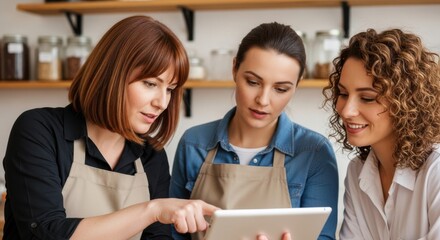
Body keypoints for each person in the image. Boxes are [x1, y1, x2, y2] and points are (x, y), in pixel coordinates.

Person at [2, 15, 219, 239]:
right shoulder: (39, 131)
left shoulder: (151, 157)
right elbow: (44, 232)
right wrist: (153, 210)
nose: (162, 103)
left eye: (170, 89)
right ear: (111, 74)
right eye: (150, 84)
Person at [170, 22, 339, 240]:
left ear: (297, 85)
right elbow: (173, 234)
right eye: (252, 82)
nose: (263, 100)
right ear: (234, 69)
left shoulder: (314, 152)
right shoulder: (194, 143)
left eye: (281, 89)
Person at [322, 28, 440, 239]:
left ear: (407, 103)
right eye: (343, 93)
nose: (347, 111)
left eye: (367, 98)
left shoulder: (436, 170)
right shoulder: (357, 172)